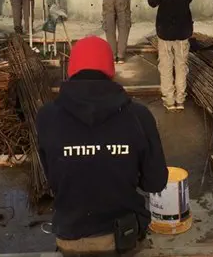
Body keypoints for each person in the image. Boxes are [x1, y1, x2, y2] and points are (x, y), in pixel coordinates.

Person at [37, 36, 168, 256]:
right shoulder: (138, 115)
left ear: (72, 70)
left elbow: (53, 178)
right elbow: (155, 182)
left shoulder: (47, 117)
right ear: (110, 69)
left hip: (70, 237)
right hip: (121, 238)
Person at [147, 0, 194, 112]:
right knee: (181, 65)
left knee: (166, 65)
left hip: (165, 30)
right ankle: (180, 99)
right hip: (183, 29)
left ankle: (169, 100)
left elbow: (152, 2)